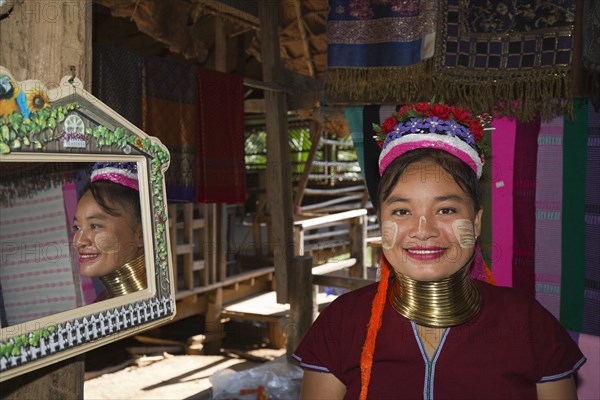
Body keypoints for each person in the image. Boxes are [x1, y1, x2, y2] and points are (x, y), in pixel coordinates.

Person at [293, 102, 586, 399]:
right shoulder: (342, 322)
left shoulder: (529, 324)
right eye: (401, 211)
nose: (424, 230)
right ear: (381, 223)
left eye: (445, 209)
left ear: (476, 222)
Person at [73, 161, 146, 299]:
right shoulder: (101, 303)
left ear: (141, 235)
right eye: (77, 227)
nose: (79, 242)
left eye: (94, 226)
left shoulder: (159, 312)